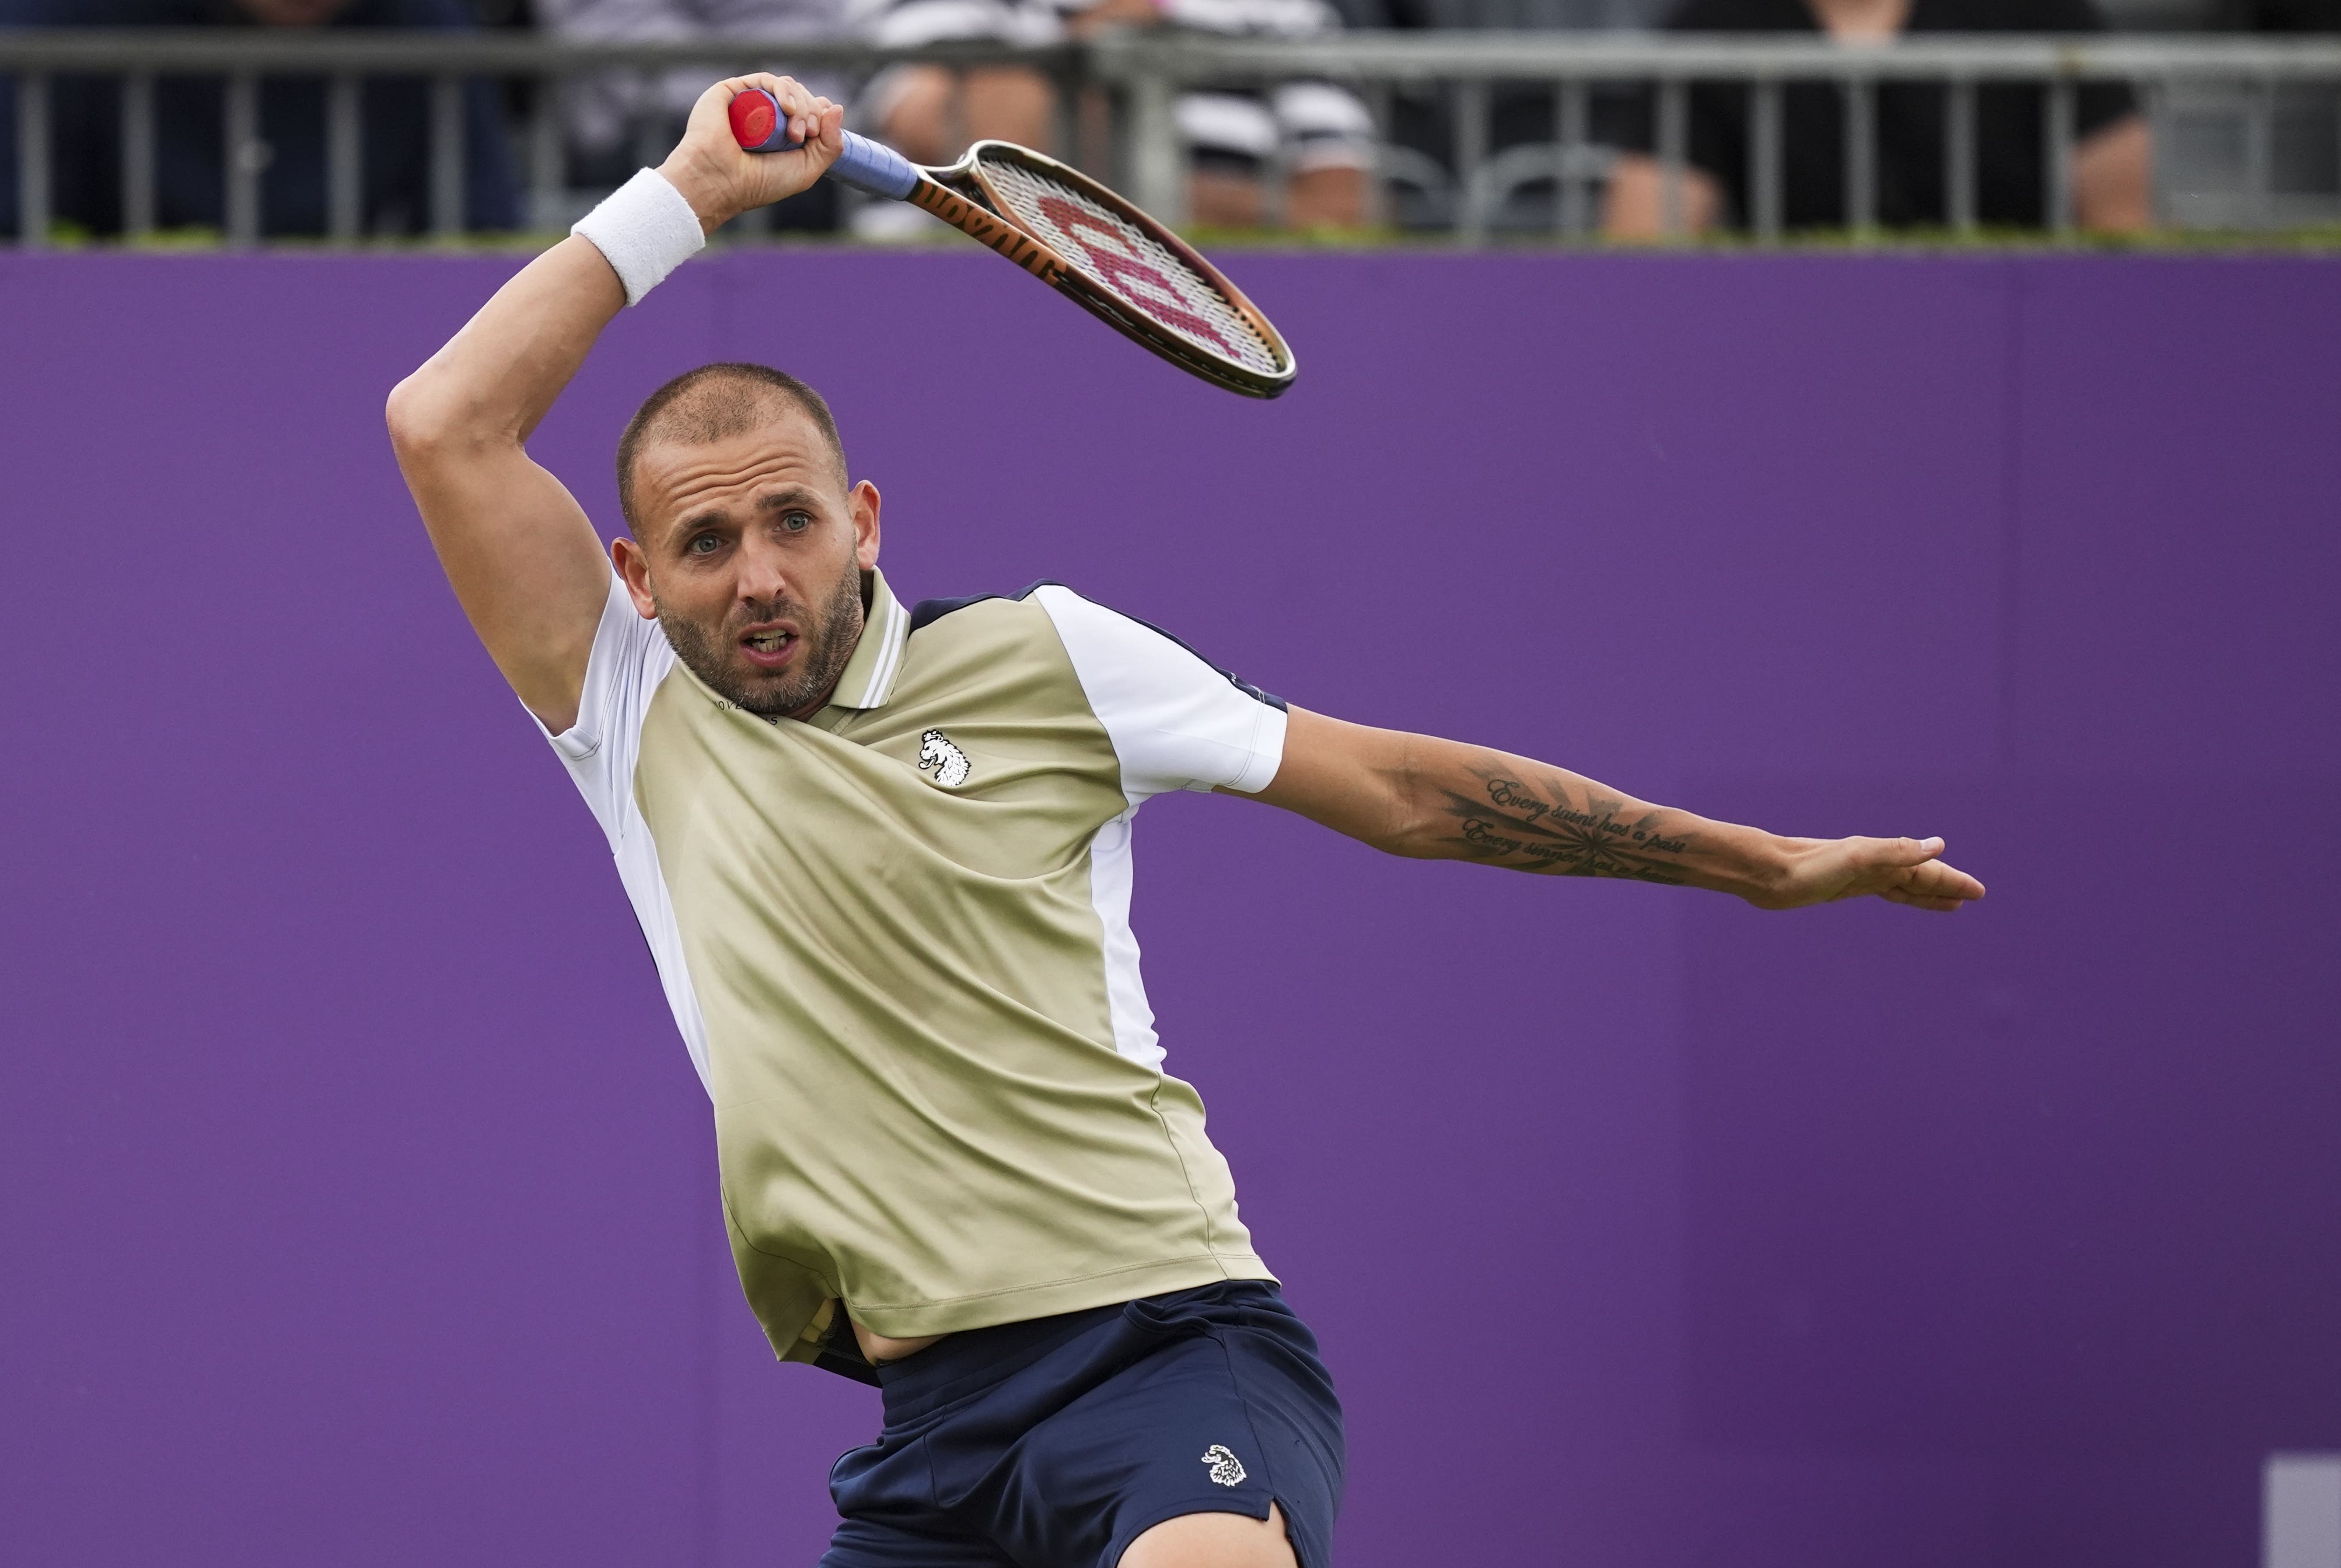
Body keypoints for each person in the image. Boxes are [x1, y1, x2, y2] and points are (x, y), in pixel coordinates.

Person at [385, 75, 1984, 1567]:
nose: (757, 574)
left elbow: (1402, 791)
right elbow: (443, 421)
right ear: (633, 573)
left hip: (1163, 1348)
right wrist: (689, 190)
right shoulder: (626, 708)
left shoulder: (1047, 656)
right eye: (708, 538)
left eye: (792, 520)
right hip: (925, 1433)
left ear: (862, 521)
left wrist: (1756, 861)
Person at [1602, 0, 2153, 237]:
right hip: (1794, 354)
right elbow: (1644, 240)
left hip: (2007, 349)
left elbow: (2124, 225)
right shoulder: (1710, 28)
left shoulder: (2037, 13)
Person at [0, 0, 519, 240]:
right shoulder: (53, 22)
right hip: (109, 335)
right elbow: (15, 231)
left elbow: (480, 225)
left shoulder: (431, 27)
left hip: (342, 335)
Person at [855, 0, 1375, 229]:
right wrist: (1097, 44)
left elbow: (1340, 210)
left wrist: (1131, 211)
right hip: (974, 293)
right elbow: (953, 135)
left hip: (1199, 319)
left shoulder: (1284, 10)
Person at [533, 0, 848, 229]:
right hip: (635, 131)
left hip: (790, 122)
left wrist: (786, 104)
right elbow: (611, 21)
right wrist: (737, 98)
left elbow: (804, 23)